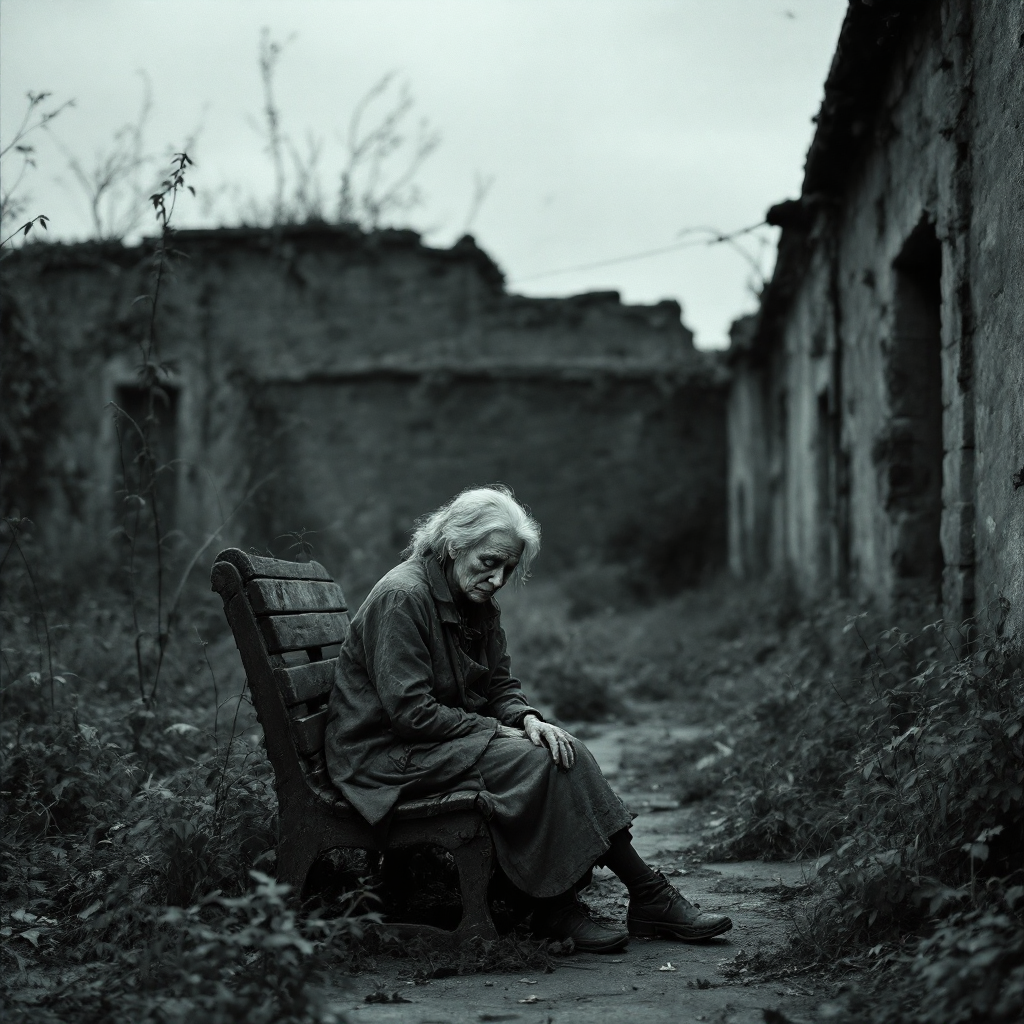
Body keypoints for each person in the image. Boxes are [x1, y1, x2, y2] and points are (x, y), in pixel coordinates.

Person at [325, 485, 732, 952]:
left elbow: (499, 684)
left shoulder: (471, 599)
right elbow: (410, 713)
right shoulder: (403, 597)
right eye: (488, 562)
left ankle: (636, 896)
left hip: (430, 743)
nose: (497, 579)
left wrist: (527, 719)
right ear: (456, 544)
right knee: (536, 763)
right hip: (383, 756)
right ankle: (565, 906)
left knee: (558, 747)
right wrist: (498, 731)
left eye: (508, 568)